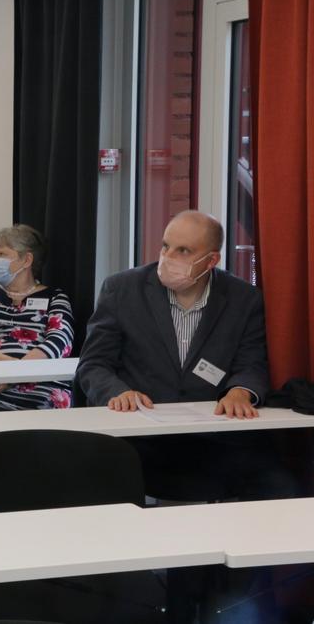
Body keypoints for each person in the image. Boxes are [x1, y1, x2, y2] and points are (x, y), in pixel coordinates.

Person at [78, 210, 297, 622]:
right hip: (142, 442)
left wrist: (240, 390)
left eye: (183, 250)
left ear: (211, 260)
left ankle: (239, 597)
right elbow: (93, 365)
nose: (168, 257)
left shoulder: (243, 298)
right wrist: (117, 392)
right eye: (165, 246)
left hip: (216, 442)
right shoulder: (122, 289)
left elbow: (252, 363)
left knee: (285, 489)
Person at [0, 225, 74, 412]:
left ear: (27, 260)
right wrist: (8, 369)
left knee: (45, 418)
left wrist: (16, 375)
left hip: (42, 382)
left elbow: (60, 341)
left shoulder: (55, 297)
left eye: (2, 254)